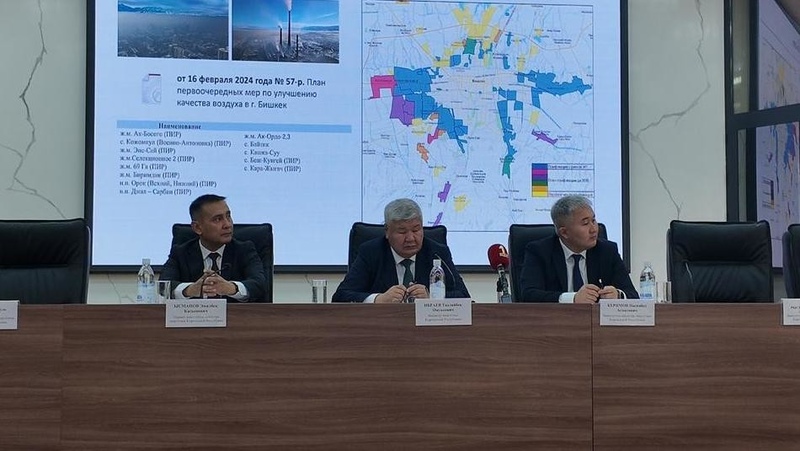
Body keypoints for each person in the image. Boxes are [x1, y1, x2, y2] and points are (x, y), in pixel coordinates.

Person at [332, 198, 470, 303]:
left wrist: (432, 297)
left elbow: (464, 296)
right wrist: (378, 299)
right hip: (383, 326)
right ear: (387, 231)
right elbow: (341, 296)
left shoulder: (437, 252)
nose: (410, 238)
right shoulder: (371, 252)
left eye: (416, 230)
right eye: (402, 231)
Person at [518, 195, 638, 303]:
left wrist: (618, 295)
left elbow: (632, 295)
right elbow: (529, 295)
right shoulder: (539, 252)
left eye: (593, 220)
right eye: (585, 223)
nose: (594, 229)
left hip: (596, 320)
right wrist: (573, 298)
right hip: (555, 319)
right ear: (564, 232)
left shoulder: (607, 251)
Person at [160, 194, 267, 302]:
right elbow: (163, 286)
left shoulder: (244, 250)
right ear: (197, 228)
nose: (227, 225)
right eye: (217, 219)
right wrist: (191, 289)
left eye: (228, 216)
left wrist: (231, 288)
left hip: (236, 312)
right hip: (194, 313)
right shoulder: (181, 252)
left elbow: (260, 284)